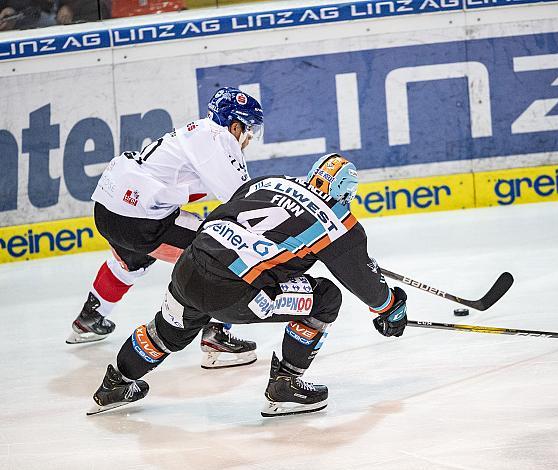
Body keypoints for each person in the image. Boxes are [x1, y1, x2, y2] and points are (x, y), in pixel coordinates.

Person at [87, 153, 409, 417]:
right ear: (346, 194)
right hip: (236, 292)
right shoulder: (338, 221)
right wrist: (390, 307)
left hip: (191, 264)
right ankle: (285, 385)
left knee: (167, 331)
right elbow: (369, 288)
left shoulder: (269, 182)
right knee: (326, 297)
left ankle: (117, 382)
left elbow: (232, 210)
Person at [68, 87, 263, 370]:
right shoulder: (220, 140)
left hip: (109, 210)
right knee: (227, 252)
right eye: (249, 130)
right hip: (140, 218)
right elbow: (242, 201)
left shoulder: (195, 133)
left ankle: (89, 319)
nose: (249, 138)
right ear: (235, 126)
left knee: (130, 261)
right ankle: (216, 337)